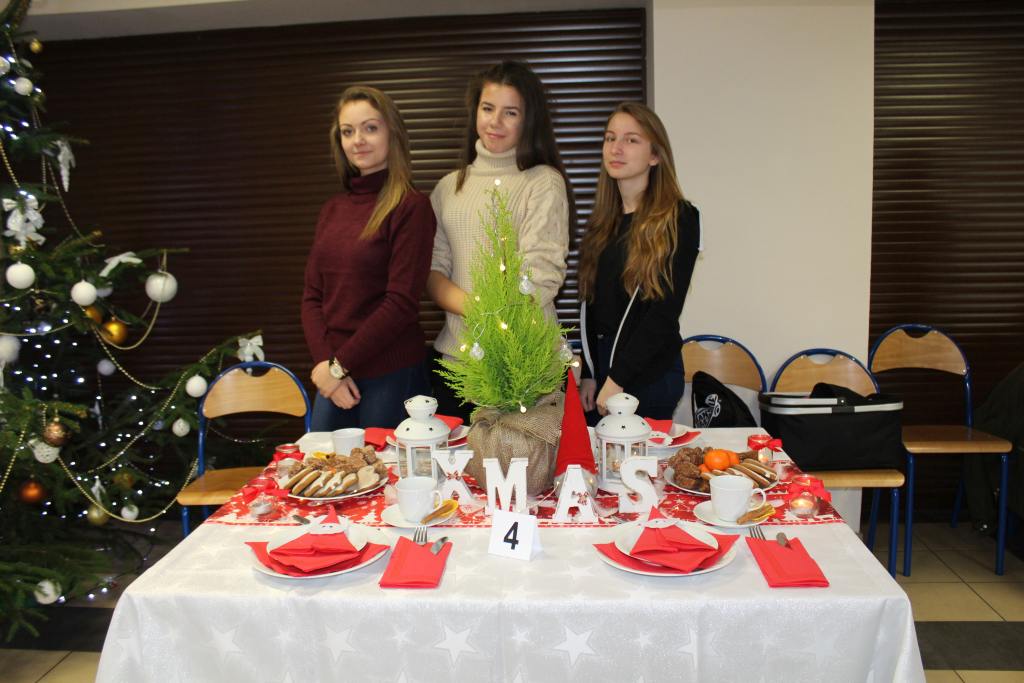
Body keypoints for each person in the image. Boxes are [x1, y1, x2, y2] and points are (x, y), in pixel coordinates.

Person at [428, 60, 572, 421]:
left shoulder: (543, 182)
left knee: (531, 461)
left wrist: (489, 319)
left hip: (525, 367)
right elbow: (433, 271)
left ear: (528, 120)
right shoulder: (448, 187)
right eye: (488, 108)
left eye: (511, 112)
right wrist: (478, 309)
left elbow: (541, 275)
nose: (495, 121)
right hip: (457, 364)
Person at [301, 85, 436, 430]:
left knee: (386, 467)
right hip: (336, 379)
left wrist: (337, 366)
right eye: (348, 131)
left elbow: (400, 303)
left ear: (393, 133)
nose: (357, 140)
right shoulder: (332, 209)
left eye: (370, 128)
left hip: (391, 376)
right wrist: (327, 366)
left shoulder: (411, 207)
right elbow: (312, 297)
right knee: (326, 464)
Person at [578, 102, 702, 423]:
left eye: (631, 140)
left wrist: (617, 378)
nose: (616, 148)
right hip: (604, 373)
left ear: (655, 155)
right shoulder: (601, 223)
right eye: (610, 138)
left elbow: (664, 312)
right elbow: (591, 305)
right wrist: (590, 373)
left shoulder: (679, 218)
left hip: (649, 374)